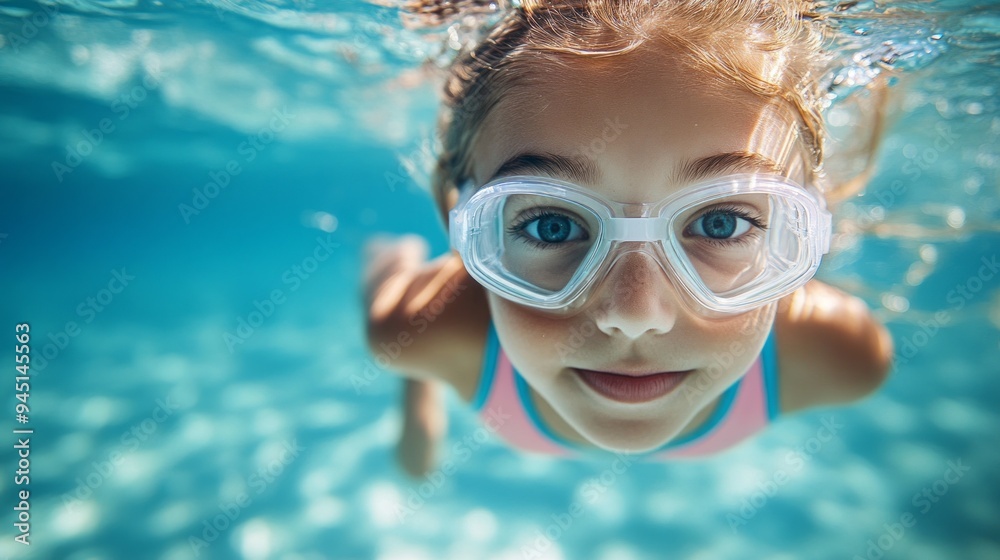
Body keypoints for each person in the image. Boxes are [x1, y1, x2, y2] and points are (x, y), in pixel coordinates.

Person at [364, 0, 895, 477]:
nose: (635, 313)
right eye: (554, 224)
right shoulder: (421, 333)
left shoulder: (840, 353)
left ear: (803, 227)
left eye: (721, 222)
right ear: (456, 218)